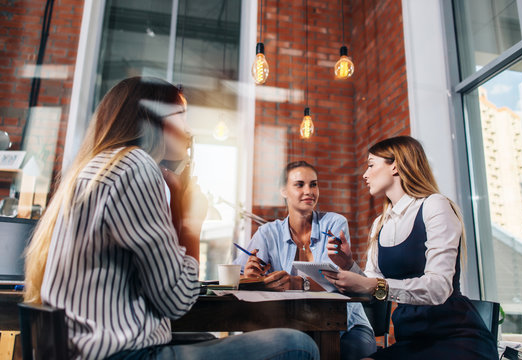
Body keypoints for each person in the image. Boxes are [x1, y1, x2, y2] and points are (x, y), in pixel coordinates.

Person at [24, 77, 319, 360]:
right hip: (123, 354)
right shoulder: (135, 166)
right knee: (299, 345)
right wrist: (191, 220)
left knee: (206, 339)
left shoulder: (98, 169)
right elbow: (177, 301)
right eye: (181, 115)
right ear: (152, 119)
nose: (190, 130)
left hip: (85, 348)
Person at [322, 136, 498, 360]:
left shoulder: (434, 205)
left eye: (370, 164)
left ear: (394, 165)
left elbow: (439, 287)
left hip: (456, 338)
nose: (365, 175)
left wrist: (371, 284)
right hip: (411, 341)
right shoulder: (380, 224)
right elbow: (373, 289)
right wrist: (348, 264)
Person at [234, 161, 377, 360]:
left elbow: (337, 281)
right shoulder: (267, 233)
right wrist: (251, 278)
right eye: (299, 185)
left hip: (346, 323)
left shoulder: (334, 223)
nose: (309, 191)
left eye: (313, 184)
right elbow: (235, 276)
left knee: (345, 352)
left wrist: (296, 283)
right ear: (283, 191)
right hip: (292, 324)